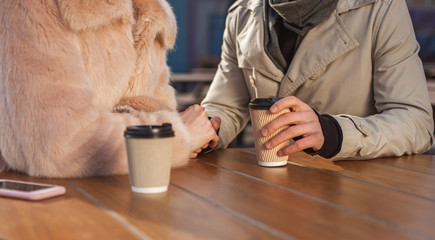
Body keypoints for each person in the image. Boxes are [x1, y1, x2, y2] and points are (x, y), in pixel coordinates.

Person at [0, 0, 218, 177]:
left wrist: (187, 128)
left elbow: (136, 106)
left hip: (132, 194)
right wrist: (177, 136)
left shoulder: (151, 11)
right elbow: (57, 146)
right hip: (44, 210)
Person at [202, 0, 434, 160]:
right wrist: (204, 130)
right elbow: (226, 107)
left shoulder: (382, 8)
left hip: (357, 192)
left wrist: (334, 132)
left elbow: (415, 122)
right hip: (271, 189)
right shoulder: (242, 12)